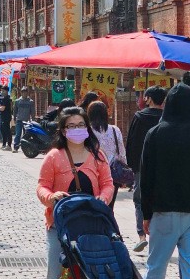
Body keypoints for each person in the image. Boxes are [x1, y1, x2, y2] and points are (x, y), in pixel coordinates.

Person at [140, 83, 190, 279]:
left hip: (162, 210)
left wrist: (145, 212)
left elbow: (146, 176)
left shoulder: (155, 133)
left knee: (157, 266)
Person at [37, 106, 114, 279]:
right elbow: (42, 186)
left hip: (92, 223)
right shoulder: (53, 156)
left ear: (87, 127)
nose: (77, 129)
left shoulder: (98, 156)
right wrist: (51, 197)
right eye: (71, 126)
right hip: (60, 225)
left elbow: (108, 184)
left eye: (81, 125)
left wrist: (103, 198)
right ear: (64, 131)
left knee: (93, 270)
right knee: (55, 271)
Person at [126, 85, 166, 252]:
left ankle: (142, 235)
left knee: (140, 200)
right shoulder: (166, 118)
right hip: (163, 168)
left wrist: (133, 166)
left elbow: (132, 143)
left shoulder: (139, 117)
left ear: (149, 99)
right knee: (159, 201)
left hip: (142, 167)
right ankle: (157, 236)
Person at [86, 101, 125, 207]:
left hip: (92, 173)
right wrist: (123, 171)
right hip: (113, 174)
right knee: (109, 207)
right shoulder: (114, 130)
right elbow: (121, 153)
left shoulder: (86, 131)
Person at [12, 87, 35, 152]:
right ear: (21, 93)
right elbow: (15, 111)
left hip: (27, 121)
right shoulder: (17, 101)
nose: (24, 93)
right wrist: (14, 118)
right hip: (19, 120)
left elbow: (32, 112)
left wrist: (33, 120)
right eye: (23, 92)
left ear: (27, 93)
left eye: (25, 92)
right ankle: (15, 147)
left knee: (26, 135)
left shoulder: (30, 102)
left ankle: (25, 148)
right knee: (18, 134)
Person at [0, 87, 12, 151]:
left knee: (7, 131)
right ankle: (4, 144)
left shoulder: (6, 99)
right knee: (3, 130)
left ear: (6, 91)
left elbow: (2, 108)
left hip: (6, 117)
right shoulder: (5, 98)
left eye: (3, 91)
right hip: (4, 116)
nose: (1, 92)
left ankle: (9, 145)